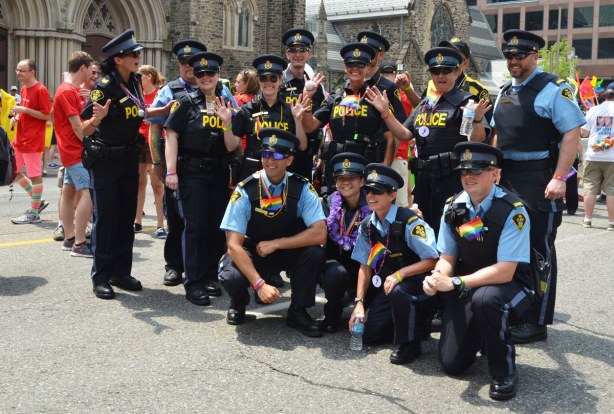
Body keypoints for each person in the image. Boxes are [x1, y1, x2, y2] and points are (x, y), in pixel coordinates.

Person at [491, 30, 586, 343]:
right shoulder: (505, 90)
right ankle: (517, 308)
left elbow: (571, 133)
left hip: (538, 179)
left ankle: (536, 320)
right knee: (508, 248)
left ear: (535, 56)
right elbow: (496, 136)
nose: (514, 60)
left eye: (521, 55)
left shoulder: (553, 89)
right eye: (510, 56)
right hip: (506, 179)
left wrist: (559, 177)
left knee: (538, 250)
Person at [423, 142, 533, 401]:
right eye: (463, 171)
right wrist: (438, 276)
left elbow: (506, 272)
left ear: (496, 174)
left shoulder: (513, 211)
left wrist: (456, 282)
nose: (468, 176)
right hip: (468, 285)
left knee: (487, 300)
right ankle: (483, 335)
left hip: (510, 286)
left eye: (478, 169)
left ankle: (504, 371)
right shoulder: (453, 207)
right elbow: (448, 257)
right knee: (452, 364)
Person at [364, 47, 491, 234]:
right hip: (424, 179)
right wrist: (385, 113)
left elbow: (476, 139)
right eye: (435, 71)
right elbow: (404, 134)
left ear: (456, 72)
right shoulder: (425, 104)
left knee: (454, 228)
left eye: (446, 70)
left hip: (451, 178)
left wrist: (478, 120)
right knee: (425, 228)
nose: (441, 75)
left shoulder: (467, 102)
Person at [218, 128, 326, 337]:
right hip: (253, 251)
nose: (270, 160)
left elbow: (319, 233)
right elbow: (233, 244)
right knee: (231, 275)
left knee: (315, 253)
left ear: (290, 159)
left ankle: (298, 311)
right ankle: (238, 304)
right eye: (266, 154)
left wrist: (277, 244)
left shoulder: (302, 188)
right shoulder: (245, 190)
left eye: (278, 155)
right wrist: (259, 285)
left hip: (286, 250)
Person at [164, 52, 241, 305]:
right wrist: (171, 171)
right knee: (195, 227)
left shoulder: (226, 104)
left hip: (218, 172)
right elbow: (171, 136)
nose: (205, 78)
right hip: (192, 172)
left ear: (218, 75)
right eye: (200, 74)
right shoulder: (185, 102)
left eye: (210, 73)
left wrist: (227, 123)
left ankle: (209, 275)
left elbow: (232, 146)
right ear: (195, 77)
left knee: (214, 226)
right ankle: (194, 282)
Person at [80, 29, 148, 299]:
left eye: (138, 53)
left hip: (129, 158)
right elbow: (84, 130)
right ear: (118, 59)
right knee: (106, 220)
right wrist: (98, 119)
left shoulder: (136, 81)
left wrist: (165, 110)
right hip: (106, 160)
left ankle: (121, 272)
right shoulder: (104, 87)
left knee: (125, 219)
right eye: (133, 54)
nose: (137, 57)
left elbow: (139, 111)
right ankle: (101, 276)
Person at [349, 163, 438, 357]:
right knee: (369, 335)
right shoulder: (367, 225)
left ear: (392, 195)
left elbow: (432, 260)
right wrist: (359, 303)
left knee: (400, 291)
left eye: (377, 191)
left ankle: (411, 341)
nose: (370, 196)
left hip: (418, 284)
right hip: (391, 285)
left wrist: (400, 274)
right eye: (368, 190)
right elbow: (364, 266)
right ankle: (404, 321)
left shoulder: (409, 221)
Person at [148, 40, 207, 288]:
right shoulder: (169, 91)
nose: (187, 67)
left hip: (206, 165)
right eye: (183, 63)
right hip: (177, 164)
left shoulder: (216, 88)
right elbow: (154, 129)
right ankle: (174, 266)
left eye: (192, 63)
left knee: (204, 220)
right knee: (176, 219)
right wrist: (158, 164)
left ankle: (205, 269)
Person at [301, 42, 388, 194]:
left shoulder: (375, 97)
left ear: (368, 68)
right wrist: (307, 100)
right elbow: (310, 126)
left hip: (366, 165)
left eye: (360, 65)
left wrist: (384, 169)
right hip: (338, 166)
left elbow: (390, 137)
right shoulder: (335, 98)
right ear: (345, 67)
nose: (355, 69)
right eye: (350, 65)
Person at [227, 54, 307, 186]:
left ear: (280, 80)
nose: (268, 83)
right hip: (253, 175)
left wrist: (298, 120)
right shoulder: (247, 110)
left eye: (273, 78)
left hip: (282, 177)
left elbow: (302, 146)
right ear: (259, 80)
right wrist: (226, 124)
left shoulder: (290, 110)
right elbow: (231, 146)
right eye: (264, 78)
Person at [319, 152, 371, 333]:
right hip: (337, 262)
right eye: (341, 178)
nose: (346, 182)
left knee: (373, 328)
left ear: (363, 181)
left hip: (366, 265)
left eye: (352, 178)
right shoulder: (328, 202)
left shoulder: (372, 203)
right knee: (334, 273)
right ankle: (332, 312)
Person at [53, 51, 96, 258]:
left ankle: (70, 237)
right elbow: (78, 128)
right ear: (83, 68)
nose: (92, 73)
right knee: (87, 192)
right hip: (76, 151)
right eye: (91, 69)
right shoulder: (67, 91)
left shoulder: (70, 90)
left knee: (69, 192)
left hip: (70, 150)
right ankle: (80, 243)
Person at [10, 59, 52, 224]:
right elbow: (24, 113)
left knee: (35, 176)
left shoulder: (41, 90)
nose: (18, 73)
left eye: (22, 70)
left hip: (32, 140)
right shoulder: (23, 88)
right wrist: (17, 118)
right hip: (20, 138)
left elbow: (47, 116)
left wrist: (24, 110)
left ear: (32, 72)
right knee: (14, 171)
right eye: (17, 70)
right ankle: (37, 201)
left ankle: (34, 212)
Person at [280, 28, 326, 180]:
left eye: (302, 50)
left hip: (305, 154)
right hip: (281, 149)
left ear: (309, 54)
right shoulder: (278, 82)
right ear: (287, 54)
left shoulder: (316, 87)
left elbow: (317, 122)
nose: (297, 54)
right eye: (293, 50)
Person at [357, 31, 407, 166]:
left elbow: (397, 132)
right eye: (362, 50)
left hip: (376, 159)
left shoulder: (388, 87)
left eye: (371, 51)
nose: (366, 54)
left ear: (381, 55)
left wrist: (386, 165)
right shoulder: (351, 84)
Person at [134, 65, 166, 238]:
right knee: (139, 183)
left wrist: (152, 121)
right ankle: (137, 220)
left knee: (157, 185)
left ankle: (160, 224)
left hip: (154, 141)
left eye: (141, 75)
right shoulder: (137, 95)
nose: (138, 78)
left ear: (149, 77)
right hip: (140, 141)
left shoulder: (159, 94)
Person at [580, 82, 614, 231]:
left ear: (605, 94)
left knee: (590, 188)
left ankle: (587, 219)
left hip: (593, 155)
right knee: (612, 190)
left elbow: (584, 133)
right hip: (612, 156)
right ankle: (611, 223)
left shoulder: (593, 110)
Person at [380, 61, 413, 207]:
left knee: (399, 204)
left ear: (395, 75)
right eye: (384, 74)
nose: (388, 77)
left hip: (398, 154)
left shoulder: (403, 97)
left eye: (390, 74)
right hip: (384, 154)